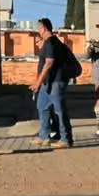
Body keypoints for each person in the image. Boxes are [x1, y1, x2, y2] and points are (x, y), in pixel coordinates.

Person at [30, 17, 74, 148]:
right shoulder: (51, 42)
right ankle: (44, 136)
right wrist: (40, 82)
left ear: (43, 28)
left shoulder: (50, 43)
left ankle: (66, 139)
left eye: (39, 28)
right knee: (41, 106)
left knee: (60, 110)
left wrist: (38, 83)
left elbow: (49, 62)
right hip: (48, 82)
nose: (38, 30)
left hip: (56, 81)